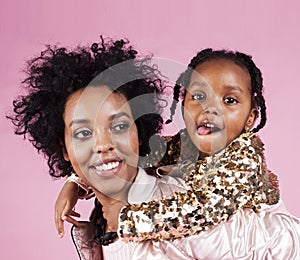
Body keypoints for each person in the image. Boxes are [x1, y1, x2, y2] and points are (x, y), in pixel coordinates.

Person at [55, 48, 300, 259]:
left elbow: (200, 211)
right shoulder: (188, 146)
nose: (210, 109)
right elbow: (151, 152)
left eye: (229, 100)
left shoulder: (241, 160)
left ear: (251, 117)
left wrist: (130, 220)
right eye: (199, 96)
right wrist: (77, 182)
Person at [9, 36, 195, 259]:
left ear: (139, 133)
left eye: (118, 126)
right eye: (84, 133)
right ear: (65, 150)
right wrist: (75, 182)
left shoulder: (183, 204)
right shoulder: (98, 222)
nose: (103, 144)